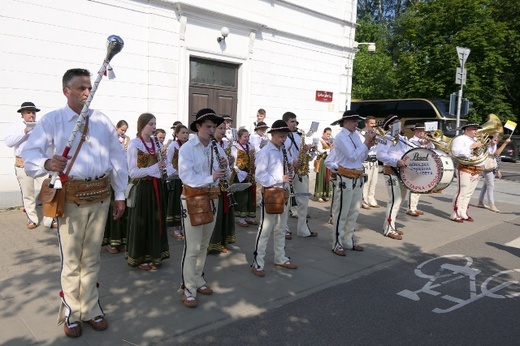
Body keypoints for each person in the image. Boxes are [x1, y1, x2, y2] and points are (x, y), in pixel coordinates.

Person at [21, 68, 128, 338]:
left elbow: (117, 159)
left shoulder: (102, 120)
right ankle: (71, 311)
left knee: (92, 257)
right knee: (71, 260)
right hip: (70, 198)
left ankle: (91, 308)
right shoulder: (53, 120)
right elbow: (29, 153)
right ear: (66, 91)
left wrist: (120, 195)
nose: (87, 92)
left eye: (89, 87)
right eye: (81, 87)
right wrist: (47, 162)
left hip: (101, 196)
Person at [178, 108, 228, 308]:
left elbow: (224, 172)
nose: (211, 130)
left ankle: (198, 279)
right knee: (192, 246)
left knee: (204, 244)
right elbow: (186, 176)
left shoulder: (217, 147)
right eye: (208, 126)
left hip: (212, 197)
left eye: (213, 127)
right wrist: (211, 177)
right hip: (193, 199)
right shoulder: (187, 148)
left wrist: (226, 167)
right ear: (198, 127)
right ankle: (187, 287)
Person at [252, 119, 297, 277]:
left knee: (281, 228)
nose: (283, 139)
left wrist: (291, 170)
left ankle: (280, 257)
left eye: (285, 136)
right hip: (271, 193)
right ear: (273, 135)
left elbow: (288, 173)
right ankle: (258, 262)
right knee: (265, 229)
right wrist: (280, 178)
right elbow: (259, 176)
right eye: (280, 136)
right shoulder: (266, 152)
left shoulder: (283, 150)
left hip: (283, 193)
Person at [126, 113, 170, 270]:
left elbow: (160, 167)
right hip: (142, 188)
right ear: (142, 125)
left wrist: (162, 162)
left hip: (156, 186)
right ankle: (140, 257)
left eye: (154, 124)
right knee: (143, 222)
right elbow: (132, 173)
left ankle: (154, 254)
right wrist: (154, 168)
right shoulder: (134, 145)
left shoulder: (155, 143)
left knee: (155, 221)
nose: (153, 127)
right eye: (150, 124)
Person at [329, 111, 376, 255]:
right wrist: (366, 143)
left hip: (357, 177)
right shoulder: (341, 137)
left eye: (357, 121)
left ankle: (348, 240)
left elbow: (361, 157)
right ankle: (336, 243)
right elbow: (352, 155)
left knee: (354, 211)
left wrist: (368, 146)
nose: (357, 124)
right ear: (346, 122)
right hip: (346, 177)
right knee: (342, 212)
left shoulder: (355, 135)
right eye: (354, 121)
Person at [4, 102, 55, 229]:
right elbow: (9, 142)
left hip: (40, 163)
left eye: (33, 112)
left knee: (48, 191)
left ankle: (49, 219)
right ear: (22, 114)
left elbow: (50, 143)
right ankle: (32, 219)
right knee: (28, 193)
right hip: (23, 164)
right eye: (28, 112)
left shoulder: (41, 126)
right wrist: (25, 132)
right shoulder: (16, 127)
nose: (31, 115)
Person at [376, 114, 412, 240]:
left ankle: (391, 224)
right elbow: (380, 155)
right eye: (397, 123)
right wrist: (395, 161)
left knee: (400, 200)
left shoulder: (402, 138)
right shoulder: (386, 138)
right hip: (391, 171)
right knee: (394, 200)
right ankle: (389, 229)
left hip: (402, 172)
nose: (400, 125)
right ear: (391, 126)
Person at [282, 111, 317, 238]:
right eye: (292, 121)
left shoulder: (297, 136)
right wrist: (292, 161)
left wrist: (305, 150)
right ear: (285, 122)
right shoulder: (282, 136)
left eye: (296, 122)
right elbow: (280, 153)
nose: (295, 124)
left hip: (299, 172)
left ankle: (303, 228)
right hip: (286, 172)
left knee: (303, 199)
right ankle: (283, 228)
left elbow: (298, 152)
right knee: (285, 201)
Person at [208, 122, 236, 254]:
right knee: (215, 215)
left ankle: (221, 241)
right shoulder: (209, 145)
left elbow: (228, 171)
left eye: (224, 129)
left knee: (224, 214)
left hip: (223, 184)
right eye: (220, 128)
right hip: (213, 185)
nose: (223, 131)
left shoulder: (221, 146)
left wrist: (228, 164)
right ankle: (212, 243)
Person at [103, 119, 131, 254]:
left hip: (121, 182)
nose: (123, 132)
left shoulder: (122, 143)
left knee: (122, 211)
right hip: (111, 182)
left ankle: (121, 241)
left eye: (125, 131)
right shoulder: (110, 142)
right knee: (113, 211)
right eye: (122, 130)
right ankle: (112, 242)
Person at [450, 123, 485, 223]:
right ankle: (455, 214)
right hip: (465, 168)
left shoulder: (475, 140)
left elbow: (480, 154)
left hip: (476, 168)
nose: (476, 131)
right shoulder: (460, 139)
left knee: (469, 193)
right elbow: (455, 152)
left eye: (476, 130)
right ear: (467, 129)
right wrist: (472, 147)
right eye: (474, 129)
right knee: (462, 192)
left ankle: (463, 212)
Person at [166, 124, 189, 240]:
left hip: (187, 179)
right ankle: (176, 228)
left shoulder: (189, 146)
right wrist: (175, 172)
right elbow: (168, 162)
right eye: (183, 133)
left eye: (186, 133)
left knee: (186, 203)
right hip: (176, 178)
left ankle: (185, 226)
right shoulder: (173, 146)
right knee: (176, 203)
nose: (185, 135)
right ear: (177, 134)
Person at [406, 122, 434, 216]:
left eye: (423, 130)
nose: (422, 132)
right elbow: (416, 152)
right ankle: (410, 208)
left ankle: (415, 207)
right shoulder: (411, 140)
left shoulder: (425, 140)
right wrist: (424, 145)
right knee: (414, 188)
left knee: (419, 188)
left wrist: (429, 142)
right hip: (414, 165)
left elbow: (432, 150)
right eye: (420, 130)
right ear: (415, 131)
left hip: (423, 165)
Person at [232, 128, 258, 227]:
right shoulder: (235, 147)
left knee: (251, 195)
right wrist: (242, 173)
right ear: (239, 137)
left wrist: (253, 170)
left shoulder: (251, 147)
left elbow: (255, 159)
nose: (247, 138)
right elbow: (234, 164)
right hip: (240, 174)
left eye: (248, 136)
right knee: (242, 196)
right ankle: (241, 218)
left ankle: (250, 217)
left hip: (250, 173)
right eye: (245, 137)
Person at [477, 136, 510, 213]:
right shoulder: (487, 146)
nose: (495, 140)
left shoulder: (493, 146)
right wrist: (505, 143)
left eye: (496, 139)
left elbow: (496, 158)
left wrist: (498, 170)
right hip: (487, 167)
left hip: (492, 167)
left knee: (486, 185)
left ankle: (480, 202)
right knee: (490, 186)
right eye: (494, 139)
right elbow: (496, 154)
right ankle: (492, 204)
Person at [361, 116, 380, 209]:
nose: (374, 125)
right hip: (366, 160)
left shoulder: (377, 133)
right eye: (371, 123)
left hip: (375, 160)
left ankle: (371, 199)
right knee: (366, 182)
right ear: (366, 124)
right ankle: (364, 200)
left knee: (374, 181)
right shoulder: (362, 134)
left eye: (374, 123)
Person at [313, 127, 333, 202]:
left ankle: (326, 194)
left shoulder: (329, 141)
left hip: (328, 161)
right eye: (327, 134)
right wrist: (329, 149)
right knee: (321, 177)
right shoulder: (319, 140)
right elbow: (319, 150)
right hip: (322, 161)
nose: (328, 135)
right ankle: (319, 195)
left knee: (327, 177)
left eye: (329, 134)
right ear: (323, 133)